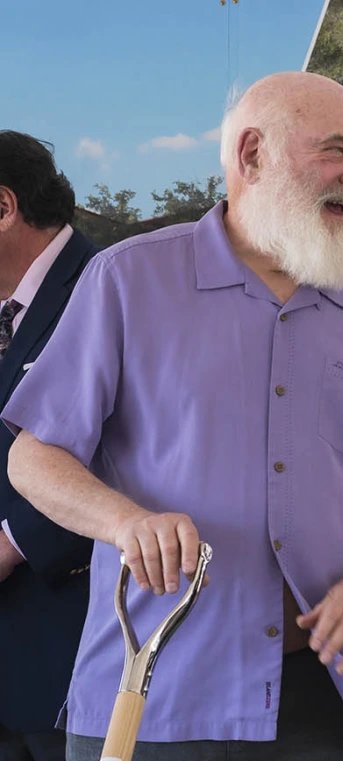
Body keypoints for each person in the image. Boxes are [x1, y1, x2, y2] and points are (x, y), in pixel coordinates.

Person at [3, 71, 343, 760]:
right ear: (251, 156)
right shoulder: (127, 281)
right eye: (336, 152)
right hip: (150, 690)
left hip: (325, 701)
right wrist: (124, 522)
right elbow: (33, 457)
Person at [0, 131, 98, 761]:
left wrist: (9, 546)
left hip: (66, 650)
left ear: (3, 207)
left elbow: (133, 448)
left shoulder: (110, 287)